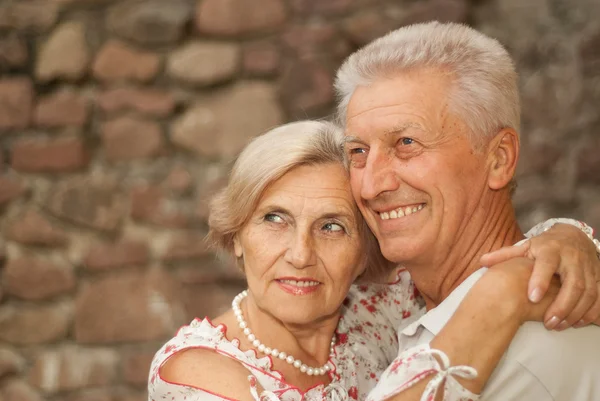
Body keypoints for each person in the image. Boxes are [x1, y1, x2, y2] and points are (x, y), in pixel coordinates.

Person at [148, 121, 600, 401]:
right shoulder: (193, 371)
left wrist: (568, 236)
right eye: (274, 219)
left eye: (332, 227)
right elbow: (497, 281)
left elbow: (485, 255)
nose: (301, 255)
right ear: (238, 234)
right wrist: (502, 294)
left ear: (366, 250)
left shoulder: (376, 311)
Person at [335, 21, 600, 400]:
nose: (371, 185)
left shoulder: (525, 360)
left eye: (407, 143)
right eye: (358, 151)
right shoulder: (394, 312)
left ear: (499, 159)